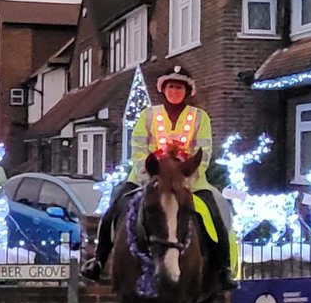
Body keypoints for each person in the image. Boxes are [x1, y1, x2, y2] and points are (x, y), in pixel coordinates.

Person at [80, 63, 237, 290]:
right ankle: (98, 260)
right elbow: (137, 147)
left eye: (179, 88)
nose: (175, 92)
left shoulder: (200, 118)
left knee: (214, 211)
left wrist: (187, 179)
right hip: (147, 178)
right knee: (114, 205)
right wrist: (147, 177)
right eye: (171, 87)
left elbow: (204, 151)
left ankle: (224, 267)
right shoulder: (148, 115)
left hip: (189, 180)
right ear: (163, 89)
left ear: (187, 91)